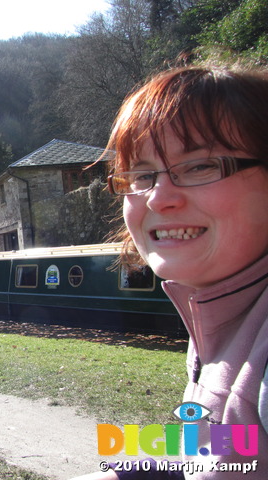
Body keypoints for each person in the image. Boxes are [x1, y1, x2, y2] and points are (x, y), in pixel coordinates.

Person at [72, 61, 268, 479]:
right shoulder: (217, 314)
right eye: (142, 175)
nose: (159, 199)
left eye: (200, 166)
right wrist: (127, 472)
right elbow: (224, 451)